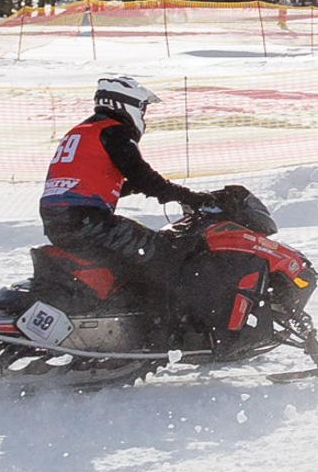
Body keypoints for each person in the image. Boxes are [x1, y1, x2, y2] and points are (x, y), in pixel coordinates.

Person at [40, 75, 199, 328]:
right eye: (142, 108)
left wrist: (143, 187)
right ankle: (161, 328)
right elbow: (141, 173)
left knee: (128, 259)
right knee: (163, 252)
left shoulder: (83, 130)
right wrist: (188, 196)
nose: (143, 115)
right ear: (126, 105)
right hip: (85, 220)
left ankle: (120, 312)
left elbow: (99, 180)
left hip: (59, 218)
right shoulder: (115, 131)